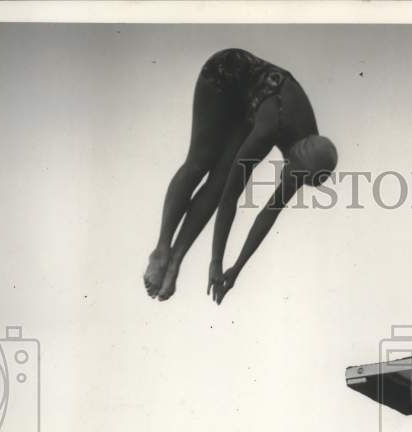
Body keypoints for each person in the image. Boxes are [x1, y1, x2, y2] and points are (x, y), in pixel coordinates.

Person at [143, 48, 338, 303]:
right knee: (201, 161)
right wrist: (216, 260)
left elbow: (270, 212)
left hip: (250, 104)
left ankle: (176, 260)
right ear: (297, 154)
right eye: (293, 172)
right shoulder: (269, 130)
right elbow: (230, 197)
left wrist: (236, 269)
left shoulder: (307, 160)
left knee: (220, 179)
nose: (290, 179)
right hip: (225, 75)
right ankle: (161, 249)